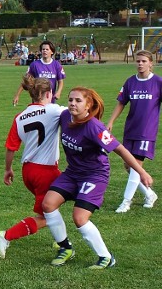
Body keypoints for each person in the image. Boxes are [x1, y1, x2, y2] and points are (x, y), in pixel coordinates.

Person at [42, 87, 153, 269]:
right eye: (70, 100)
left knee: (79, 218)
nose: (72, 104)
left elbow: (120, 149)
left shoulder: (95, 127)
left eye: (78, 101)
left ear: (88, 105)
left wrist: (142, 173)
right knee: (48, 204)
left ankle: (106, 257)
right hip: (72, 173)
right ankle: (65, 248)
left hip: (94, 175)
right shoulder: (64, 116)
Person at [0, 75, 66, 259]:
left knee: (54, 206)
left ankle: (61, 241)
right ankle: (6, 235)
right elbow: (76, 112)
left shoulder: (20, 117)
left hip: (28, 171)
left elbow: (11, 147)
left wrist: (8, 169)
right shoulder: (53, 110)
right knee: (47, 215)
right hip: (45, 171)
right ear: (48, 93)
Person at [106, 50, 160, 213]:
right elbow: (121, 103)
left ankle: (126, 202)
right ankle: (150, 194)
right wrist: (111, 121)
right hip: (131, 129)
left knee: (136, 165)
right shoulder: (130, 82)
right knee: (129, 167)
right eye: (138, 61)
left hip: (146, 131)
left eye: (144, 61)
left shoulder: (158, 82)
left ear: (151, 63)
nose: (140, 64)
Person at [13, 40, 65, 106]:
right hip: (37, 100)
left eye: (47, 49)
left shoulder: (56, 65)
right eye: (43, 49)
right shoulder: (34, 65)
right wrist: (17, 95)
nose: (44, 51)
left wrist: (58, 92)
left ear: (52, 52)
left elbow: (60, 81)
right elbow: (26, 81)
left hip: (50, 100)